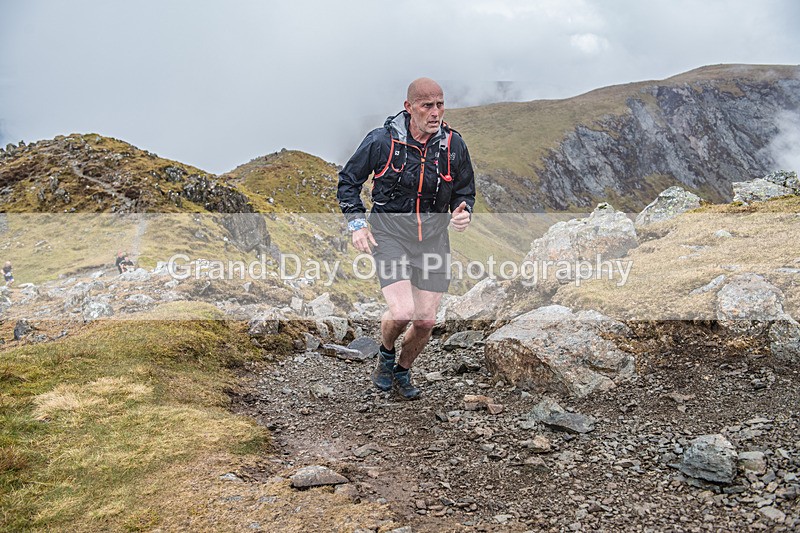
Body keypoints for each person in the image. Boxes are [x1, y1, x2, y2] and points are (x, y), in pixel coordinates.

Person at [337, 78, 475, 400]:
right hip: (389, 234)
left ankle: (402, 369)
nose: (435, 112)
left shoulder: (453, 146)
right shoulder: (382, 142)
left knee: (425, 320)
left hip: (433, 239)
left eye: (440, 104)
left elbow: (464, 191)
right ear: (408, 107)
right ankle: (385, 354)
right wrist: (358, 225)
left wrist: (462, 211)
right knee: (401, 312)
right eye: (427, 105)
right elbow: (348, 182)